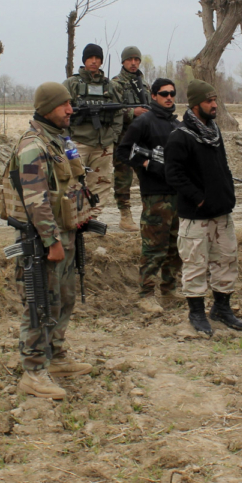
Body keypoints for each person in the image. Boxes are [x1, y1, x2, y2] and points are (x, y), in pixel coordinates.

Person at [3, 82, 95, 400]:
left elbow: (74, 179)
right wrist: (51, 240)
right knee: (41, 304)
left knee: (65, 297)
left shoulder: (60, 139)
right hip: (43, 239)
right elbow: (36, 199)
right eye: (63, 105)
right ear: (46, 109)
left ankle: (54, 357)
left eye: (70, 104)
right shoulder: (33, 146)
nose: (70, 110)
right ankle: (33, 371)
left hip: (66, 232)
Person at [165, 79, 242, 336]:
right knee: (195, 264)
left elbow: (223, 167)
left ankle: (221, 308)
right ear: (196, 104)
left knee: (226, 260)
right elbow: (174, 175)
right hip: (195, 216)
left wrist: (226, 193)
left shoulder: (214, 132)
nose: (214, 104)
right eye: (209, 101)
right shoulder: (180, 136)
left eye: (215, 99)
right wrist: (199, 198)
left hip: (222, 212)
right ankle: (196, 313)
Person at [115, 77, 182, 314]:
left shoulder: (177, 124)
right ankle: (146, 294)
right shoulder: (144, 122)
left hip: (177, 194)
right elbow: (124, 151)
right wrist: (147, 164)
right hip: (155, 196)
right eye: (164, 94)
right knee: (154, 247)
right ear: (153, 96)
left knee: (175, 247)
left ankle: (170, 289)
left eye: (172, 93)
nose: (169, 97)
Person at [64, 43, 121, 215]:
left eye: (97, 58)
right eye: (90, 58)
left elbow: (118, 111)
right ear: (84, 60)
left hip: (103, 144)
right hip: (78, 142)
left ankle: (93, 217)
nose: (94, 62)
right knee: (72, 180)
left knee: (102, 182)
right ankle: (74, 216)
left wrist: (114, 136)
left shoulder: (110, 86)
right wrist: (66, 140)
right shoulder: (71, 84)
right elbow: (61, 111)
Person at [110, 46, 151, 232]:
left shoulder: (145, 85)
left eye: (136, 59)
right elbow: (110, 110)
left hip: (143, 139)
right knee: (123, 177)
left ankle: (149, 213)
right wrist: (131, 112)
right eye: (130, 59)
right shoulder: (115, 84)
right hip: (123, 139)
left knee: (148, 175)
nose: (133, 63)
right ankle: (125, 214)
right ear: (123, 61)